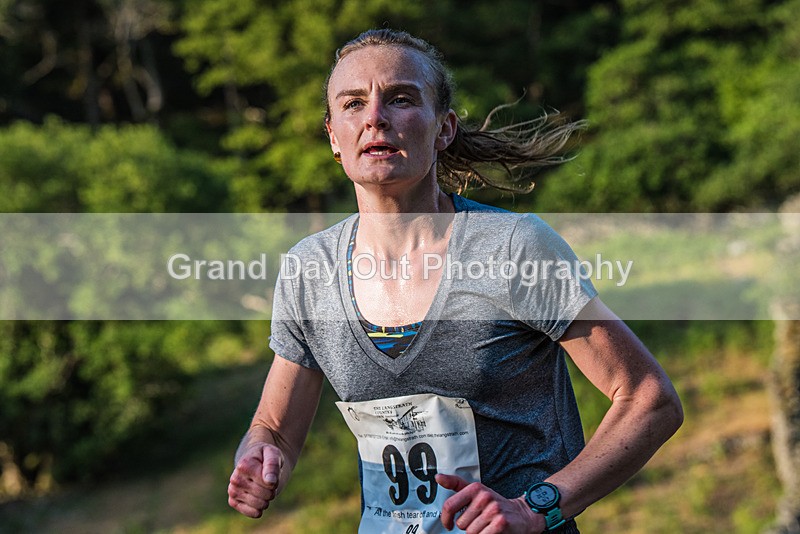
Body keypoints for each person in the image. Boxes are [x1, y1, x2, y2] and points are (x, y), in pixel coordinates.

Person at [227, 28, 683, 534]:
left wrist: (538, 508)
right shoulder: (308, 270)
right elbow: (274, 431)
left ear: (444, 129)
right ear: (334, 136)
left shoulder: (513, 248)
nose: (374, 117)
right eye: (353, 103)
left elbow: (648, 398)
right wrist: (260, 458)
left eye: (400, 99)